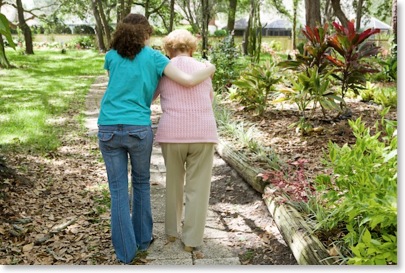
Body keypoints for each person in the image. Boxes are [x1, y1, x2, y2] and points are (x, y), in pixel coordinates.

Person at [97, 14, 215, 264]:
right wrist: (210, 68)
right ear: (146, 35)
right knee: (141, 183)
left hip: (108, 126)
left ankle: (127, 253)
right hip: (141, 128)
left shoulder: (111, 56)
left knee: (118, 191)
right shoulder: (155, 59)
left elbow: (121, 86)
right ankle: (148, 240)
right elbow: (193, 85)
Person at [153, 29, 219, 252]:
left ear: (168, 50)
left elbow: (150, 95)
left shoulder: (164, 70)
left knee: (173, 183)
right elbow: (209, 100)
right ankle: (191, 241)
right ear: (191, 49)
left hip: (172, 134)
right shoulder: (204, 69)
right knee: (198, 188)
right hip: (203, 133)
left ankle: (171, 232)